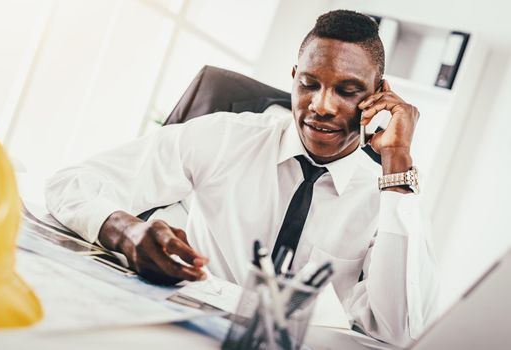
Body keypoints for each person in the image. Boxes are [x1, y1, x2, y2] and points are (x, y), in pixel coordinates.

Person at [45, 10, 439, 346]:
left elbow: (398, 333)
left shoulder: (387, 200)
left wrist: (397, 161)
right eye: (309, 84)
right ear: (293, 77)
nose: (322, 106)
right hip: (175, 334)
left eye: (348, 90)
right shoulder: (224, 137)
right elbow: (69, 183)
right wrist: (125, 231)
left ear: (379, 94)